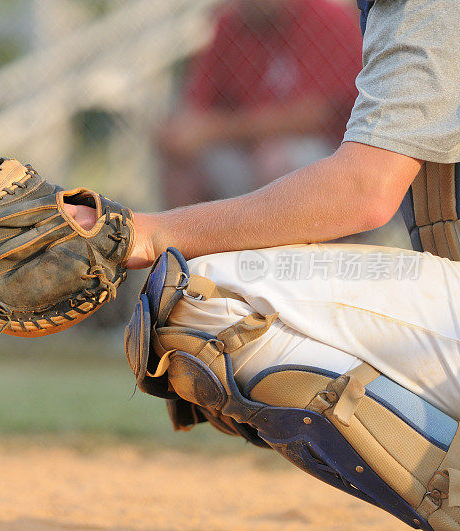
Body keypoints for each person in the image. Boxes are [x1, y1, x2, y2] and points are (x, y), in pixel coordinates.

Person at [64, 0, 460, 526]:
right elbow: (191, 120)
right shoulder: (235, 26)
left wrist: (146, 232)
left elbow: (363, 186)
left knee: (206, 298)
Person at [156, 0, 361, 206]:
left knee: (274, 159)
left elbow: (313, 117)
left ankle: (289, 238)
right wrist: (177, 133)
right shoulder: (230, 24)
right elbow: (195, 108)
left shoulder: (327, 16)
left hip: (328, 156)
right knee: (183, 156)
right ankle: (181, 237)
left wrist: (216, 129)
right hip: (247, 152)